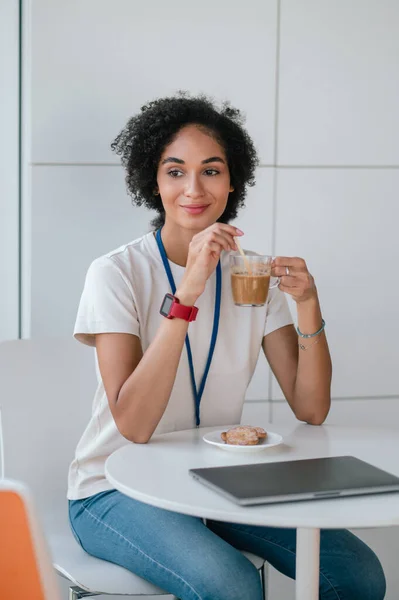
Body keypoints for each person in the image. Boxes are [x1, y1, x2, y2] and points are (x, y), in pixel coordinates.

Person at [68, 94, 386, 600]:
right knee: (231, 586)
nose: (193, 188)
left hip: (214, 480)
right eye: (175, 171)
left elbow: (311, 408)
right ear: (154, 181)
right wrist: (188, 291)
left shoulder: (251, 273)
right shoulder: (116, 273)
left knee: (359, 574)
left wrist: (307, 302)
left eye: (211, 171)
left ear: (232, 181)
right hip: (113, 488)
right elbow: (134, 425)